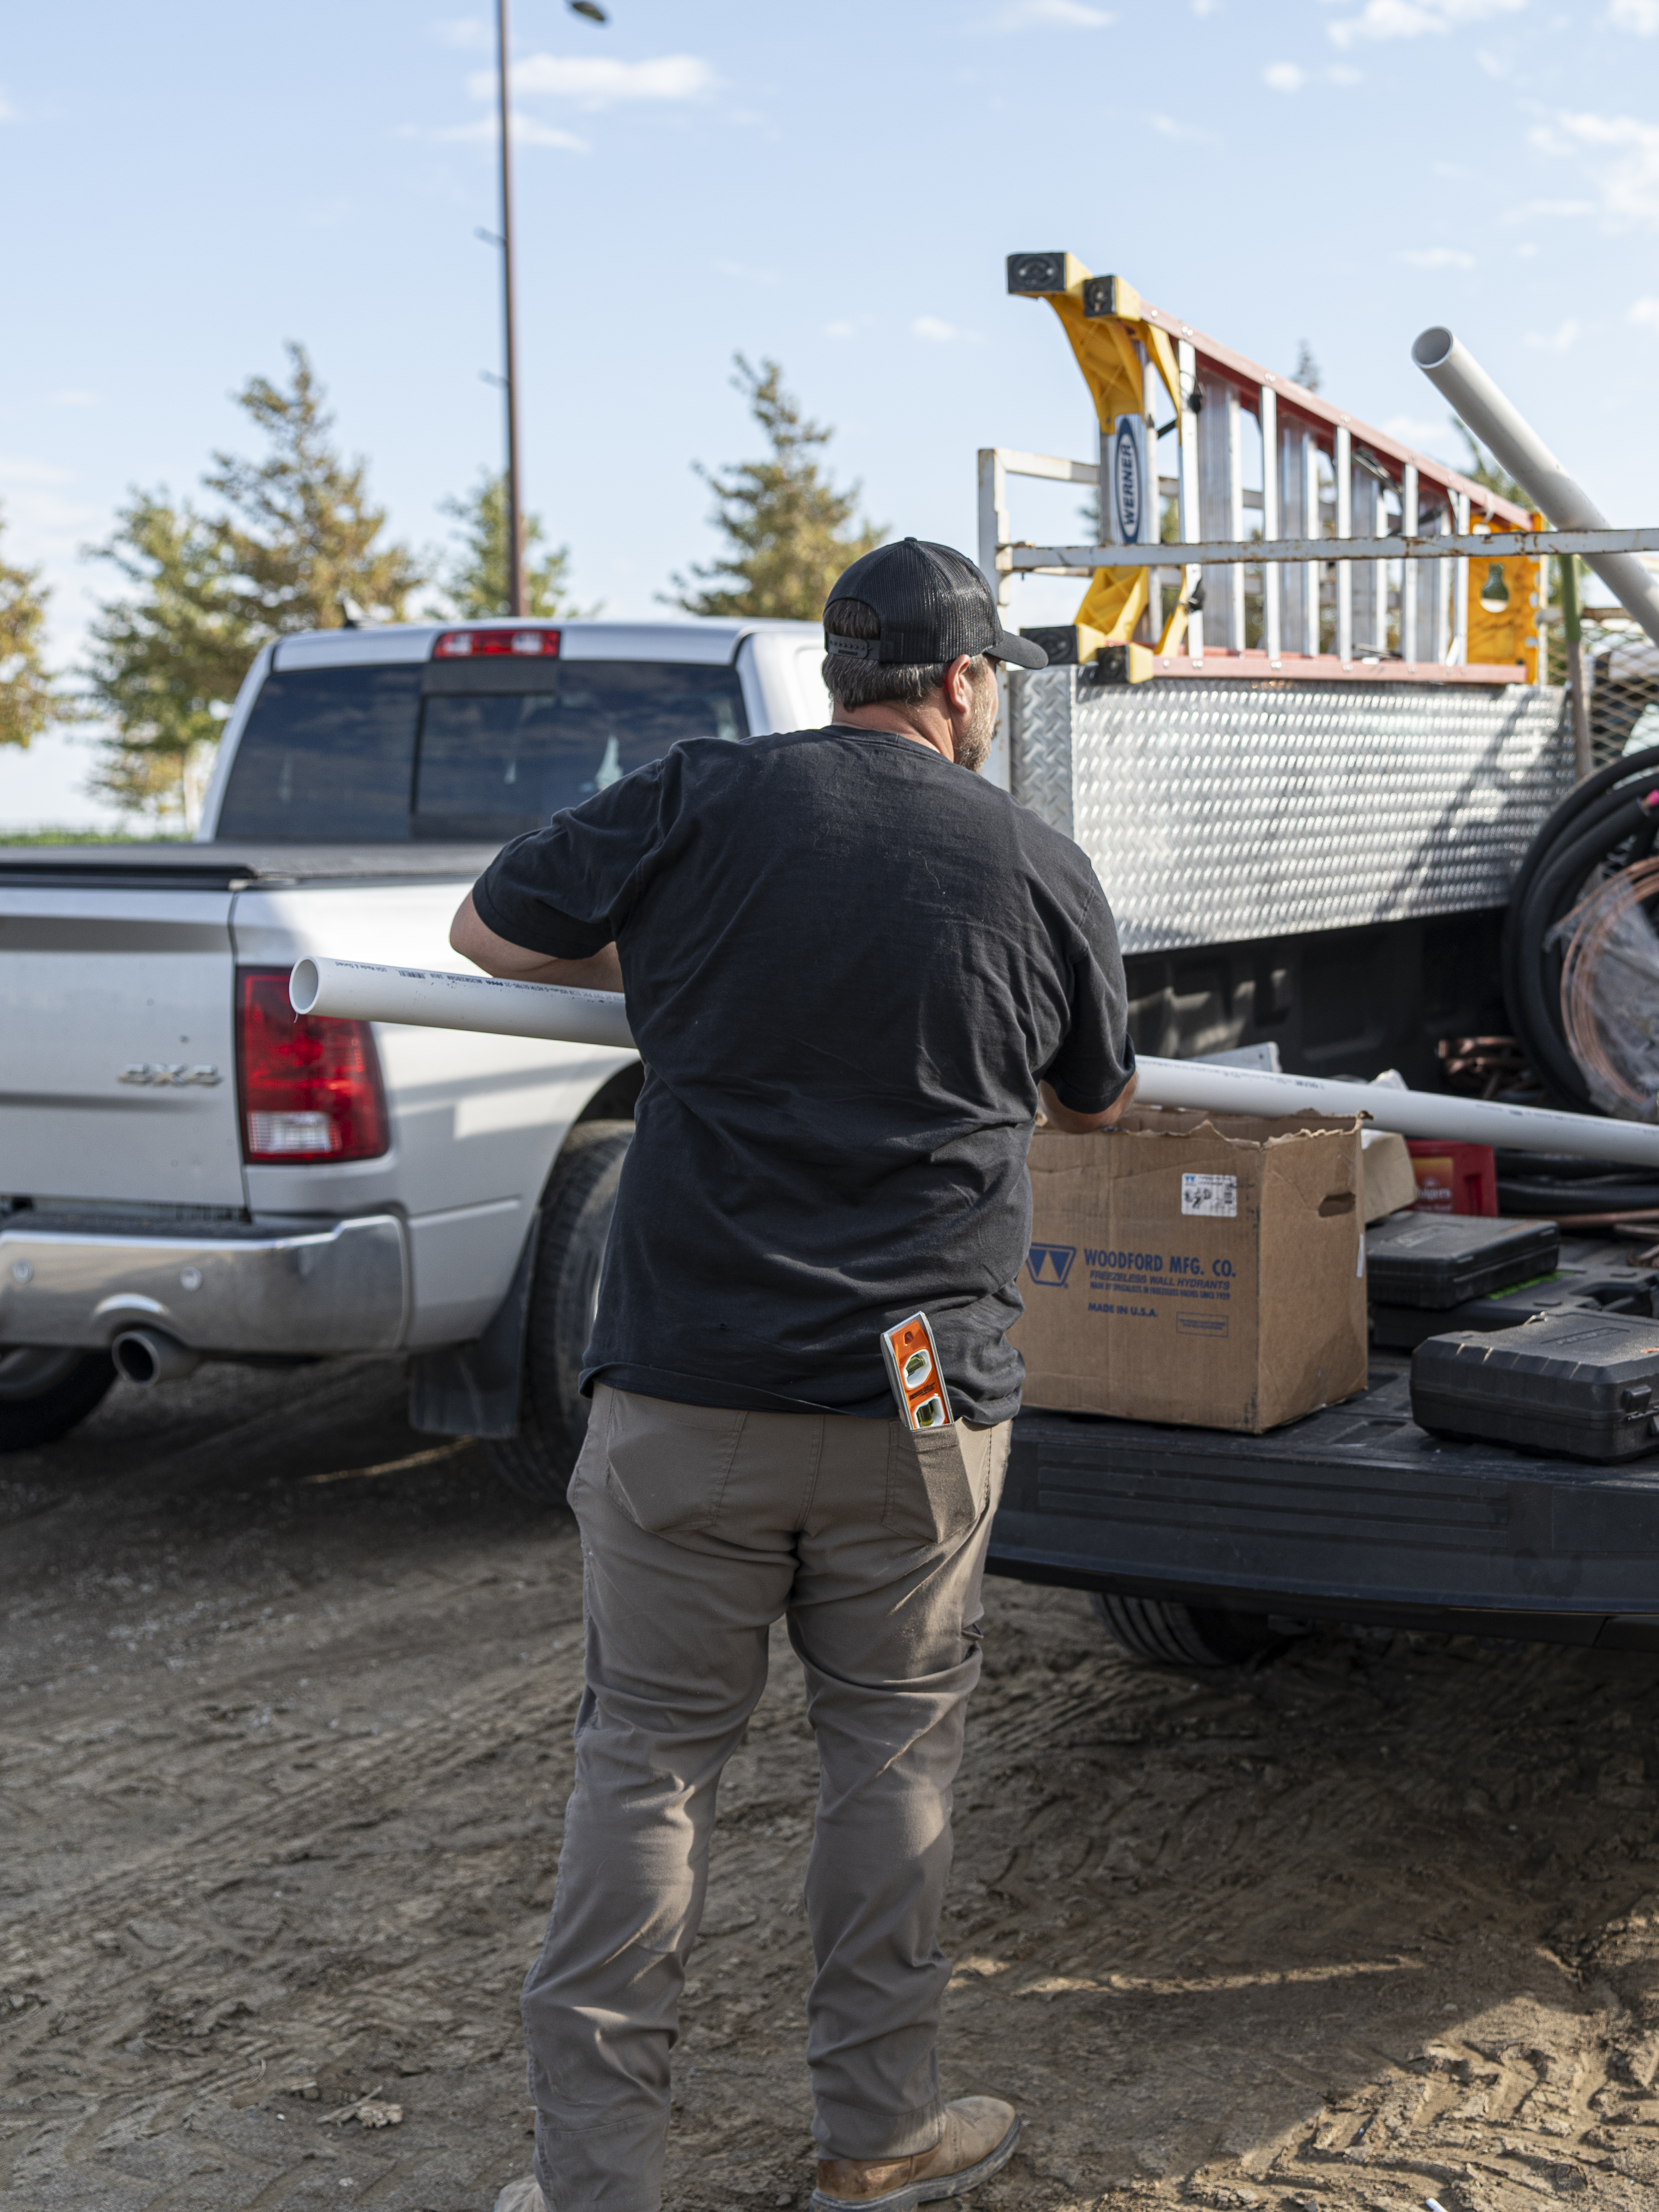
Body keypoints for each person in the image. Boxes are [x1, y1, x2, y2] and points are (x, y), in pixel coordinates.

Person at [452, 539, 1139, 2212]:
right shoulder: (1033, 861)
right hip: (913, 1397)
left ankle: (598, 2183)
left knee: (647, 1771)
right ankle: (875, 2138)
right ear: (966, 684)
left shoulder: (698, 798)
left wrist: (687, 967)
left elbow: (487, 934)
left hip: (689, 1388)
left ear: (839, 675)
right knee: (889, 1762)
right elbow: (1098, 1104)